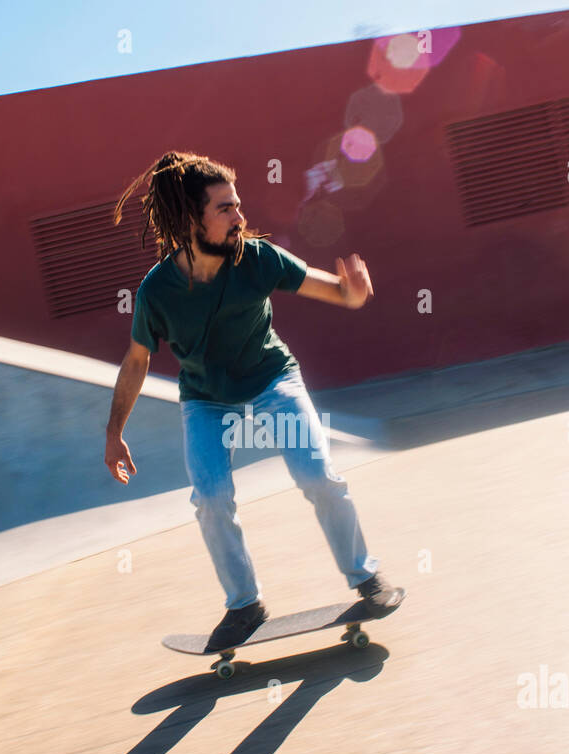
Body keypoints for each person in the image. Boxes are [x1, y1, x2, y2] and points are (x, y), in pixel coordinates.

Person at [106, 151, 404, 651]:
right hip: (205, 401)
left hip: (272, 382)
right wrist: (114, 434)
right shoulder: (157, 291)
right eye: (225, 209)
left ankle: (365, 576)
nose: (240, 218)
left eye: (238, 205)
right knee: (211, 499)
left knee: (318, 475)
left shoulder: (257, 258)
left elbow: (331, 290)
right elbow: (136, 361)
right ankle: (244, 604)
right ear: (189, 218)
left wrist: (352, 293)